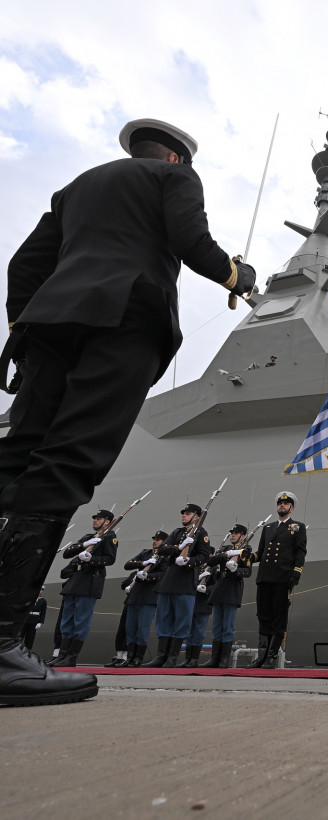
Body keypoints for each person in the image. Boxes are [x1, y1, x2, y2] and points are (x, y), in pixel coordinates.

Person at [0, 118, 255, 706]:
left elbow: (24, 265)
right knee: (69, 461)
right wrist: (236, 274)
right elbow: (190, 239)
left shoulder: (77, 188)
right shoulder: (174, 180)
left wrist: (25, 325)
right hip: (124, 321)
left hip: (49, 326)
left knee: (15, 457)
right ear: (175, 158)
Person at [144, 504, 211, 668]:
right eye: (183, 513)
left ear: (196, 517)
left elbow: (204, 556)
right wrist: (178, 547)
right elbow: (162, 549)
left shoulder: (201, 533)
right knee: (164, 619)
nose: (183, 515)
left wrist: (188, 561)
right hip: (168, 581)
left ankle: (172, 657)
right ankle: (161, 656)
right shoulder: (177, 533)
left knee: (182, 620)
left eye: (187, 513)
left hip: (185, 582)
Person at [246, 492, 307, 669]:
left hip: (282, 577)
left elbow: (300, 552)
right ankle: (261, 656)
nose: (282, 505)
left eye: (286, 504)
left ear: (291, 508)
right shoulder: (268, 528)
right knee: (263, 616)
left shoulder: (297, 527)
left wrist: (296, 573)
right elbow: (261, 552)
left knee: (278, 617)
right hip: (265, 577)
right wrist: (248, 557)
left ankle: (271, 656)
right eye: (280, 503)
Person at [51, 510, 118, 667]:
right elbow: (67, 553)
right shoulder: (89, 537)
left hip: (89, 583)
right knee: (67, 622)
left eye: (99, 518)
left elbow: (110, 559)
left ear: (107, 522)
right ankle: (62, 655)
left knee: (81, 622)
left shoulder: (109, 537)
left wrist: (91, 559)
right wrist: (84, 545)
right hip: (74, 583)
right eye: (94, 518)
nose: (95, 520)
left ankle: (71, 657)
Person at [203, 524, 253, 668]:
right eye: (232, 533)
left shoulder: (246, 551)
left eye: (236, 533)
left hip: (232, 590)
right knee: (217, 626)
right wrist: (226, 555)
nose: (233, 535)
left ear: (243, 536)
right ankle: (214, 659)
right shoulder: (225, 549)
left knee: (228, 627)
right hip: (219, 590)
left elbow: (247, 572)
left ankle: (224, 659)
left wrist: (236, 570)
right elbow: (211, 561)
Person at [121, 530, 168, 667]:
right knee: (130, 628)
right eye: (154, 539)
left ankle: (138, 658)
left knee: (142, 630)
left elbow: (163, 574)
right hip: (135, 596)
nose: (154, 541)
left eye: (158, 540)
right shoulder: (145, 553)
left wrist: (148, 576)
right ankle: (129, 657)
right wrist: (143, 563)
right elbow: (128, 564)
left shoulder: (165, 557)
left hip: (148, 597)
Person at [21, 587, 47, 651]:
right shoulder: (28, 598)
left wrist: (40, 622)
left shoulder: (43, 601)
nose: (40, 591)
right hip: (25, 620)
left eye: (41, 590)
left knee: (30, 637)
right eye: (39, 589)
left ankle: (28, 651)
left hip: (34, 621)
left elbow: (43, 612)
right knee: (20, 635)